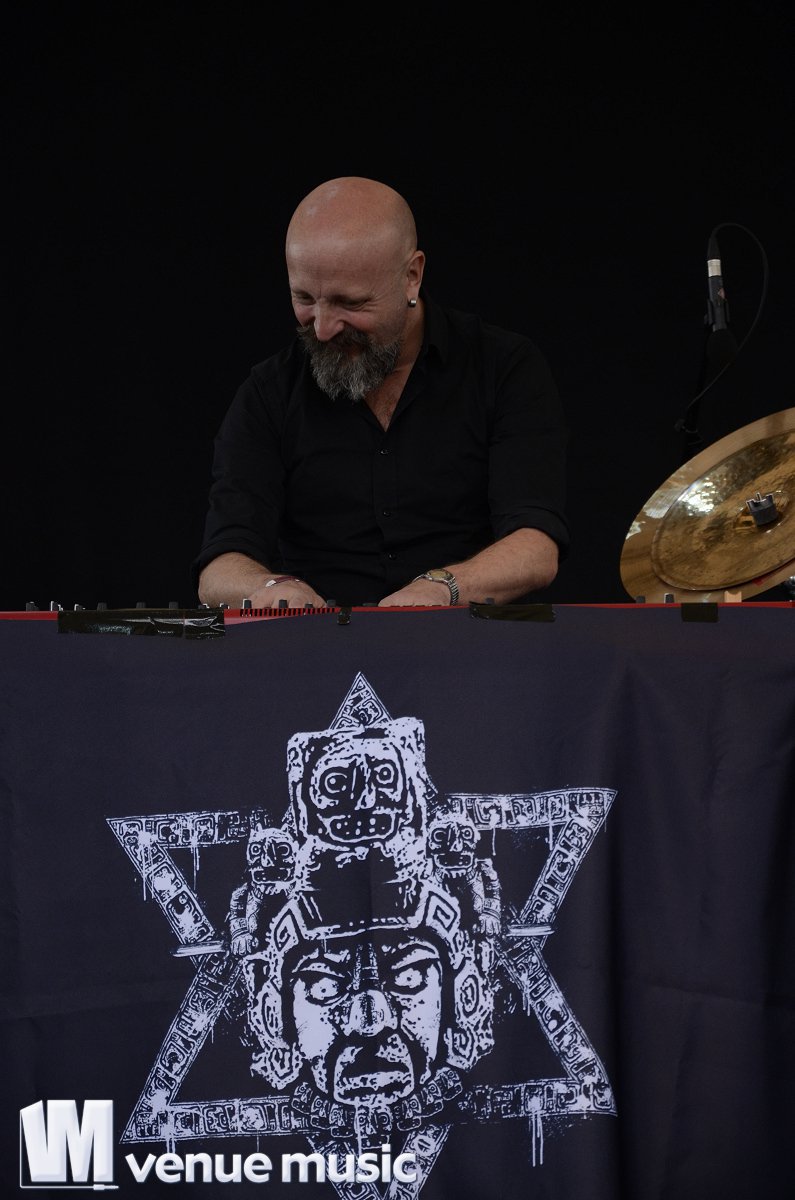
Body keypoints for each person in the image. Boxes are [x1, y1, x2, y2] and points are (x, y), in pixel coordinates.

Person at [192, 176, 569, 610]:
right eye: (305, 298)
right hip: (318, 645)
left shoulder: (504, 367)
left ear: (412, 276)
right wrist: (270, 587)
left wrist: (441, 588)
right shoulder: (268, 393)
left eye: (349, 303)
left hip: (469, 640)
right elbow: (219, 567)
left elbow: (535, 547)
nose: (322, 328)